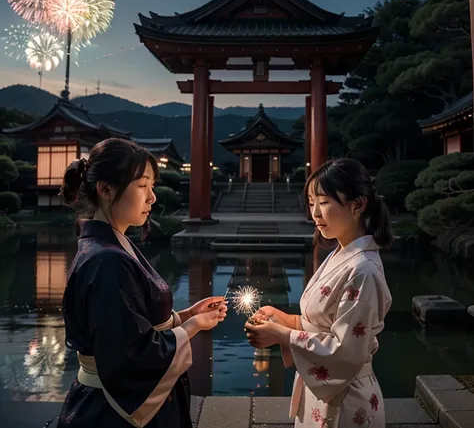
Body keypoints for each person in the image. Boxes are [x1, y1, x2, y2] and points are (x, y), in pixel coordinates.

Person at [56, 138, 227, 428]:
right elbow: (130, 355)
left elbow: (134, 321)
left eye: (152, 187)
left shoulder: (113, 247)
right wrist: (193, 327)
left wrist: (184, 317)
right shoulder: (106, 260)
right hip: (110, 410)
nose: (152, 198)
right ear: (106, 189)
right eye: (142, 186)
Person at [245, 158, 392, 428]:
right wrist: (283, 319)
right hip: (324, 393)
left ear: (357, 204)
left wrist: (281, 334)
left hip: (347, 398)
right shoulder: (342, 255)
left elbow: (346, 351)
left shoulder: (363, 270)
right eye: (312, 203)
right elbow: (323, 324)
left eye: (323, 202)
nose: (315, 213)